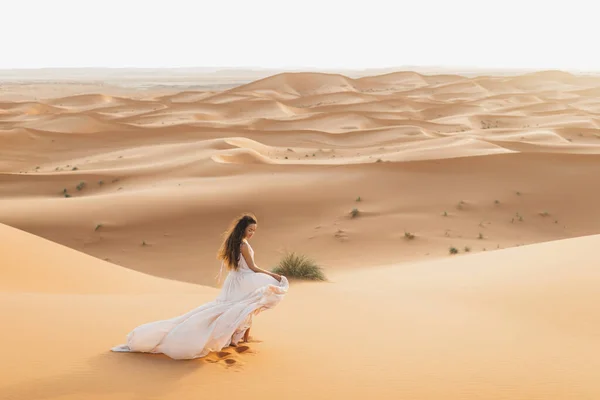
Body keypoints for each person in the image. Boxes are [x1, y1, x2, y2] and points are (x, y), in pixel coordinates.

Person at [111, 213, 288, 360]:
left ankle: (239, 337)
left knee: (245, 306)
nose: (252, 233)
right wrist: (273, 275)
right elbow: (252, 267)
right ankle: (236, 338)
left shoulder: (233, 242)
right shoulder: (243, 245)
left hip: (234, 280)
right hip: (244, 279)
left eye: (254, 231)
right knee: (247, 305)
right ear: (243, 228)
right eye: (250, 230)